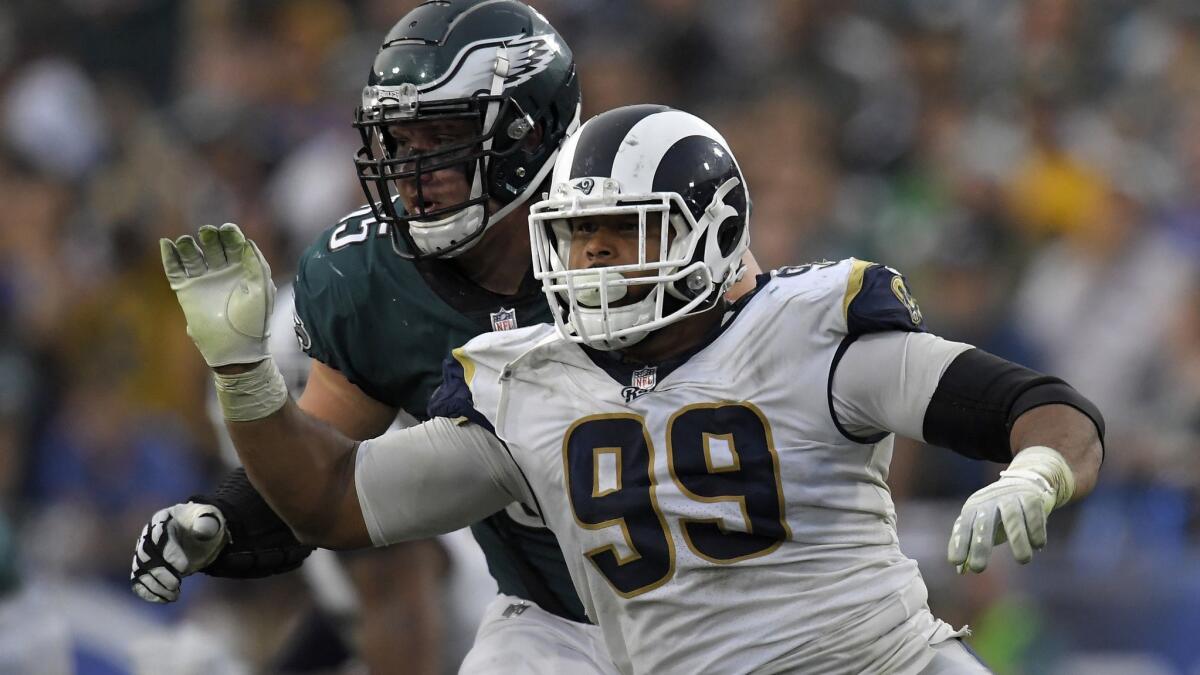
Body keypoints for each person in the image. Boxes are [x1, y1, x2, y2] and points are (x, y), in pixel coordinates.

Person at [150, 103, 1104, 673]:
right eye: (576, 237)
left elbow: (1038, 404)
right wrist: (244, 380)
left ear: (712, 226)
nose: (596, 260)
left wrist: (1036, 472)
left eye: (625, 232)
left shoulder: (812, 330)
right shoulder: (526, 387)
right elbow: (328, 498)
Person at [130, 2, 759, 672]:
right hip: (556, 620)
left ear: (526, 134)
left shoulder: (636, 228)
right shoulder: (371, 280)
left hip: (720, 592)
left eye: (442, 138)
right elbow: (326, 481)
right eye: (399, 141)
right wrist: (225, 509)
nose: (412, 169)